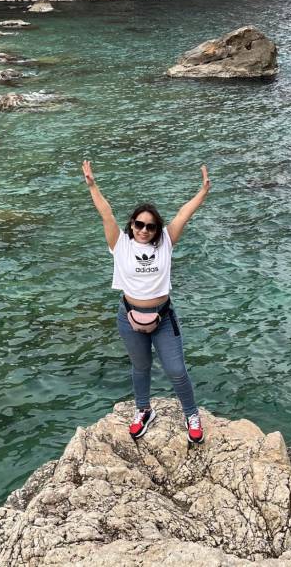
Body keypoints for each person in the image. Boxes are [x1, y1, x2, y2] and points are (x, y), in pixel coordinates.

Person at [82, 159, 210, 443]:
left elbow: (183, 214)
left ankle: (191, 414)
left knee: (176, 369)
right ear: (132, 224)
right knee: (140, 367)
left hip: (163, 318)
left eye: (150, 226)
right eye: (139, 224)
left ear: (157, 229)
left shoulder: (165, 242)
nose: (144, 230)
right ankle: (143, 410)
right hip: (129, 317)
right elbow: (106, 213)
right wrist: (92, 186)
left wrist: (202, 192)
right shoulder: (120, 244)